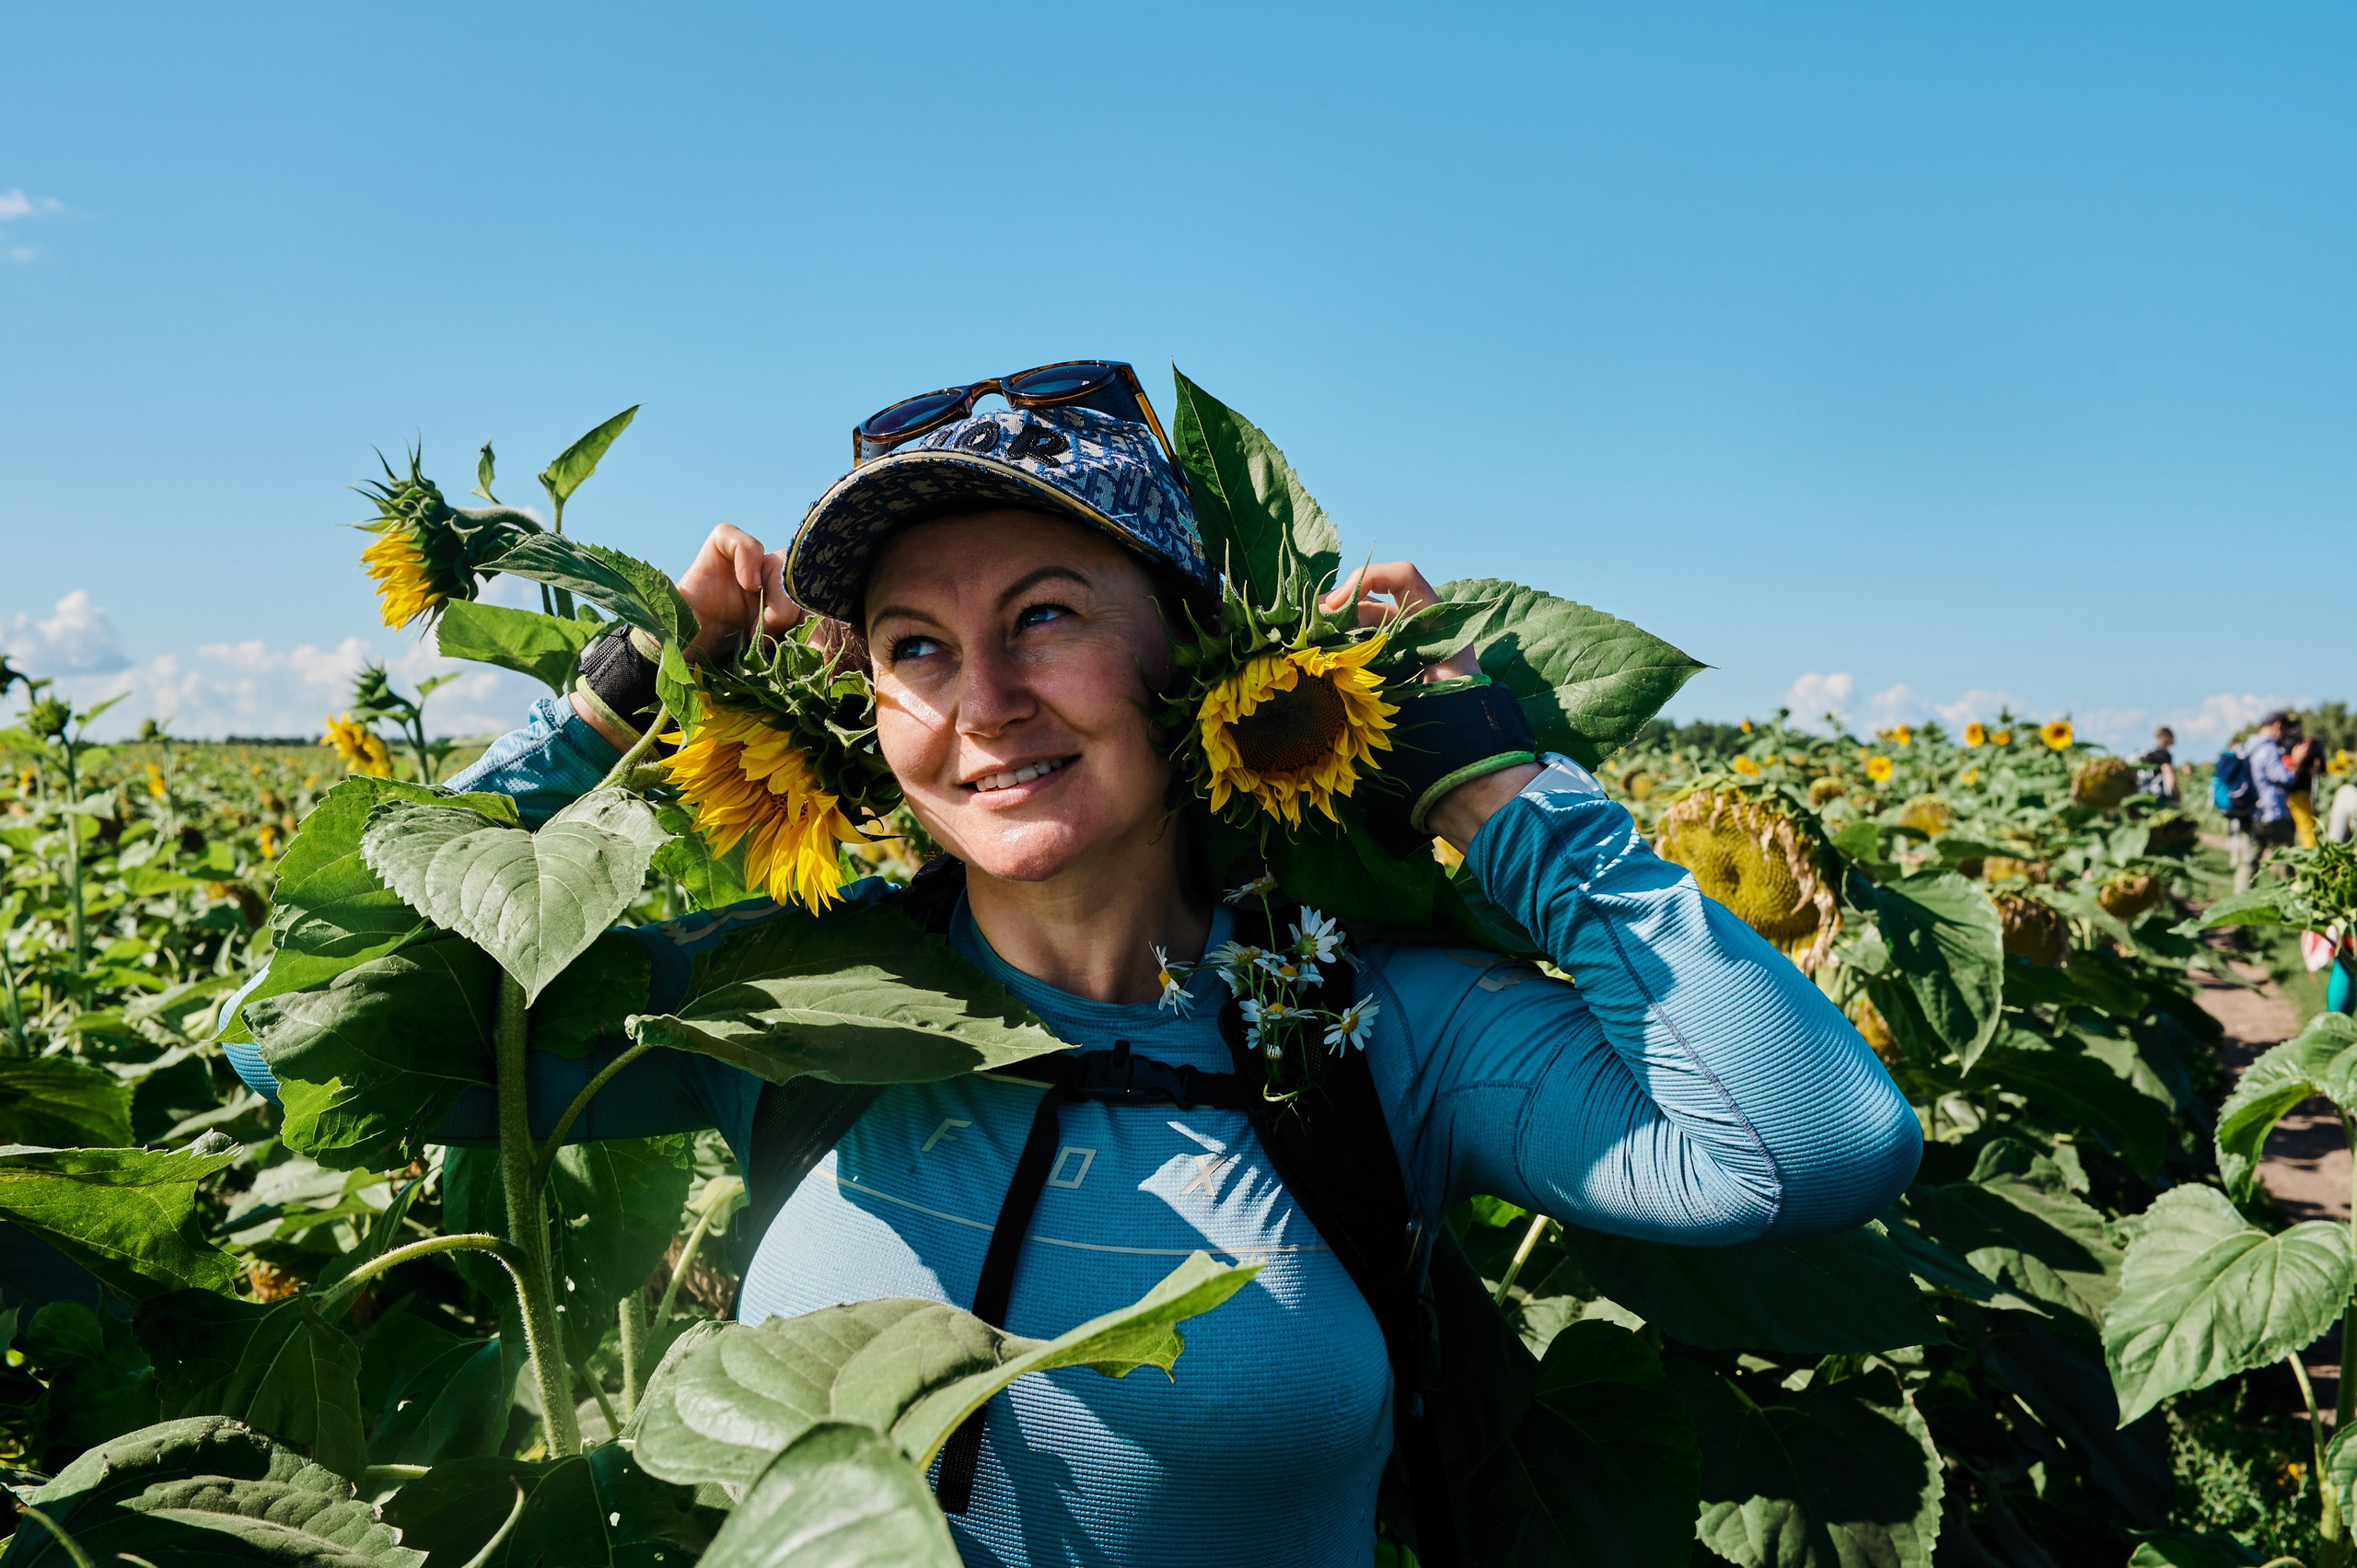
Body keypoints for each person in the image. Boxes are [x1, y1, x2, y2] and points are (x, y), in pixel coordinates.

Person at [231, 364, 1921, 1566]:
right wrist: (613, 698)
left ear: (1192, 649)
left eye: (1045, 614)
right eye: (914, 647)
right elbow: (296, 1045)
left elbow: (1810, 1148)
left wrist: (1479, 776)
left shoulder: (1357, 1027)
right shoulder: (783, 1002)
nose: (983, 700)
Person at [2231, 712, 2301, 896]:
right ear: (2278, 726)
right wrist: (2296, 764)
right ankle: (2289, 901)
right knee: (2285, 861)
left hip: (2250, 814)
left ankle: (2240, 905)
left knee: (2248, 863)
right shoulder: (2269, 749)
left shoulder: (2246, 747)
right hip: (2273, 813)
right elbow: (2283, 777)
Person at [2284, 716, 2322, 848]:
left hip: (2298, 793)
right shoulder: (2290, 745)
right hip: (2294, 794)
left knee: (2303, 829)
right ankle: (2311, 856)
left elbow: (2320, 767)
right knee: (2306, 829)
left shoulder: (2306, 745)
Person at [2136, 726, 2178, 804]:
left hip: (2146, 794)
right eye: (2172, 736)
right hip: (2160, 796)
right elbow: (2168, 774)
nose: (2174, 738)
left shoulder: (2151, 754)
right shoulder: (2164, 755)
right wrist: (2176, 795)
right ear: (2166, 735)